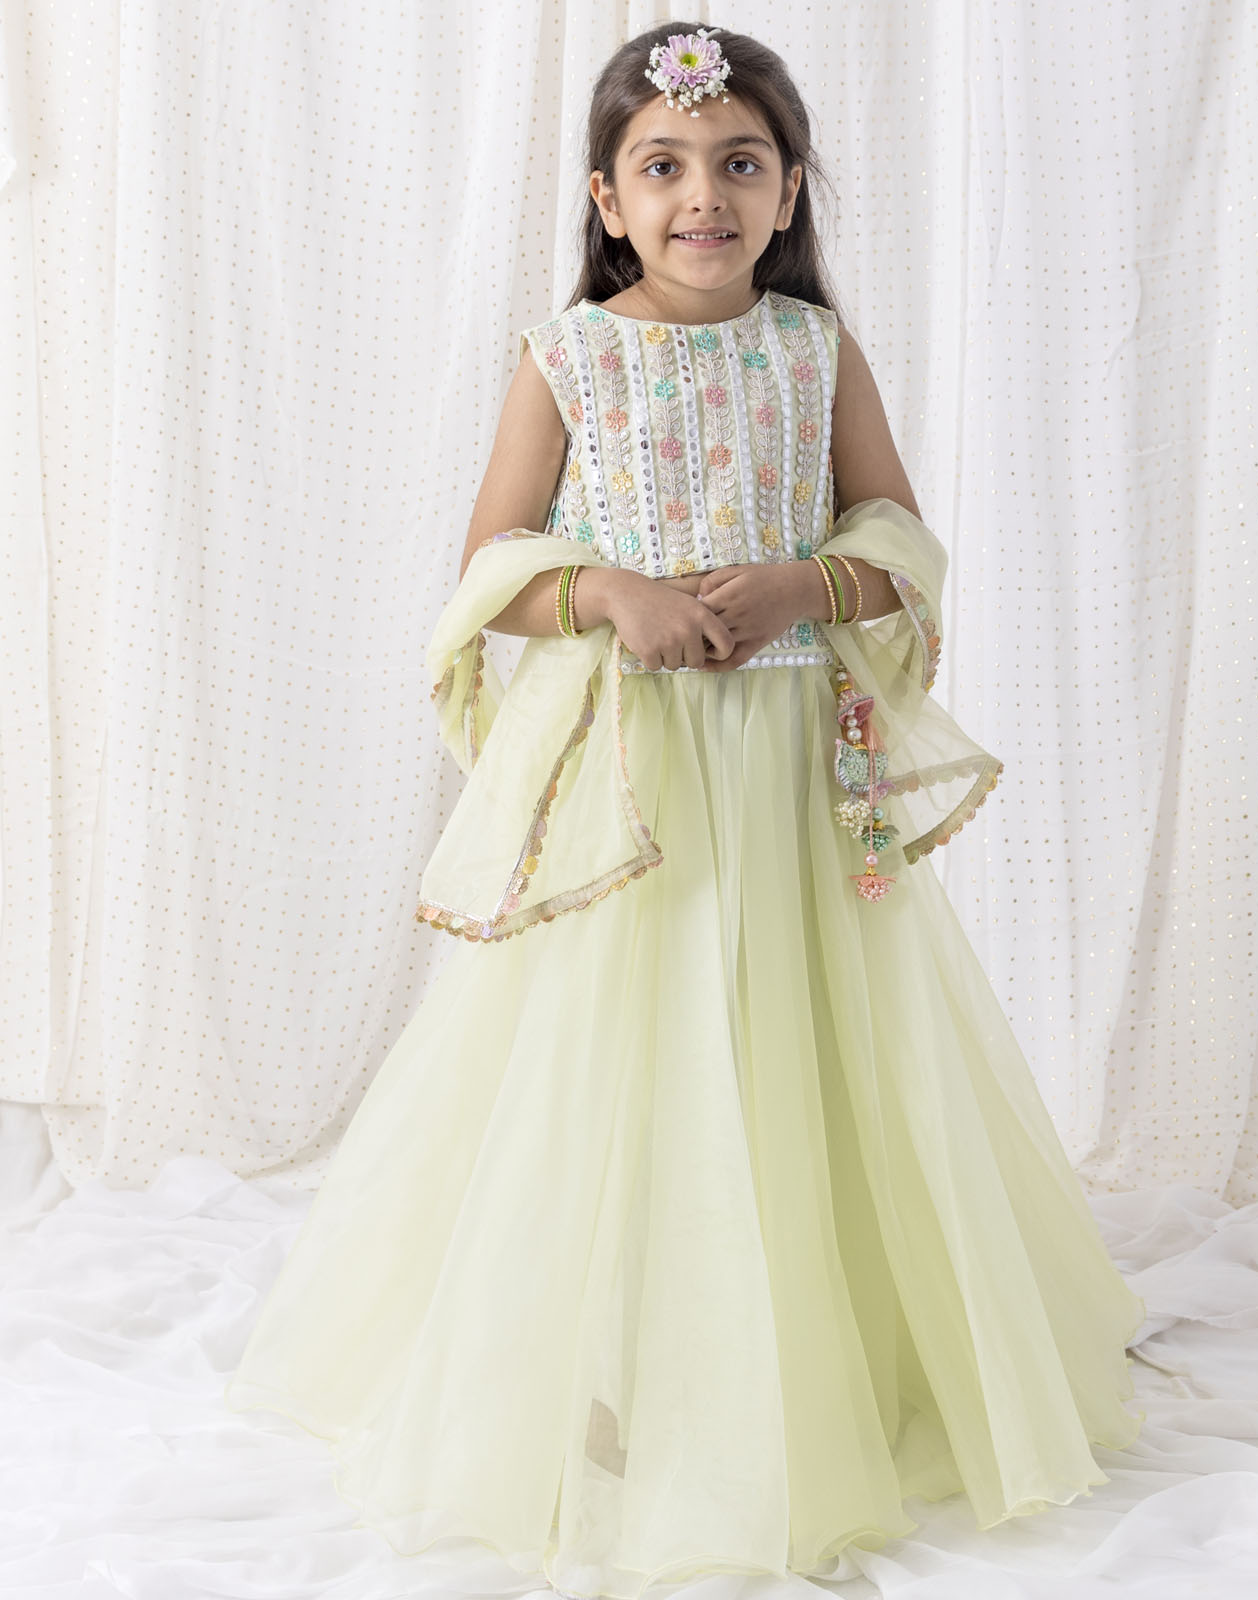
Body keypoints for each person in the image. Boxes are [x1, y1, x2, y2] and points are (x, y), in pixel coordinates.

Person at [224, 21, 1147, 1600]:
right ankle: (600, 1368)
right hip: (636, 783)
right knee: (622, 1058)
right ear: (607, 199)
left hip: (789, 773)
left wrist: (809, 582)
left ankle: (819, 1358)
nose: (701, 195)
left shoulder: (814, 353)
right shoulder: (567, 357)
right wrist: (607, 595)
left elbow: (899, 540)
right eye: (662, 166)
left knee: (804, 1054)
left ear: (788, 194)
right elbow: (493, 565)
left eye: (739, 164)